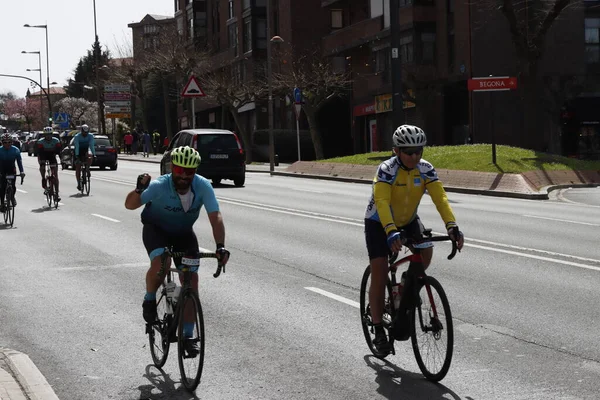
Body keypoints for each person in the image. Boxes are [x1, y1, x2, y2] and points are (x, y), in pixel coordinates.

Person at [364, 124, 464, 355]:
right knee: (379, 272)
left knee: (426, 252)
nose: (414, 156)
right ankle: (378, 329)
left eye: (419, 151)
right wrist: (390, 230)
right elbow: (381, 201)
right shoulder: (386, 169)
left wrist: (452, 226)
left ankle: (408, 284)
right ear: (396, 151)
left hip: (408, 219)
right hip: (379, 222)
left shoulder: (425, 169)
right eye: (409, 152)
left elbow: (441, 199)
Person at [124, 145, 230, 355]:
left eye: (189, 172)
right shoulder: (160, 186)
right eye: (179, 170)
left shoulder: (203, 187)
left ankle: (188, 336)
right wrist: (138, 190)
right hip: (156, 230)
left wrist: (220, 246)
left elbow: (215, 216)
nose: (183, 175)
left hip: (183, 233)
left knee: (191, 280)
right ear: (172, 167)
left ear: (195, 171)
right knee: (162, 262)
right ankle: (149, 299)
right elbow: (129, 205)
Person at [0, 133, 25, 213]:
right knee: (2, 186)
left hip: (11, 168)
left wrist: (21, 171)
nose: (7, 144)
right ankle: (2, 204)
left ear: (12, 142)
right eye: (5, 142)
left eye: (9, 142)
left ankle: (12, 196)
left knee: (13, 185)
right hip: (2, 168)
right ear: (2, 143)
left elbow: (19, 162)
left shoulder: (15, 150)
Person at [36, 127, 62, 201]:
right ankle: (43, 178)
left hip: (52, 156)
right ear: (44, 135)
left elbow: (59, 152)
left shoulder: (56, 141)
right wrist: (41, 163)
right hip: (43, 155)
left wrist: (62, 161)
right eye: (46, 135)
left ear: (52, 134)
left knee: (55, 176)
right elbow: (40, 153)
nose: (48, 136)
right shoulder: (40, 142)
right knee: (42, 167)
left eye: (50, 134)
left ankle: (57, 194)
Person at [73, 124, 96, 191]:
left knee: (90, 155)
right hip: (78, 150)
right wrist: (77, 156)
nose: (85, 134)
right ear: (81, 131)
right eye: (84, 133)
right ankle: (78, 183)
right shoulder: (77, 136)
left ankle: (87, 168)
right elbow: (77, 146)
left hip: (86, 149)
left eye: (86, 133)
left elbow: (91, 146)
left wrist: (94, 154)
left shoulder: (91, 136)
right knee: (78, 167)